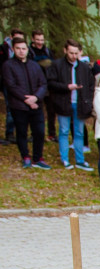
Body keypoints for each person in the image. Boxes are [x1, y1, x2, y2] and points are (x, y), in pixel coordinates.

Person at [1, 36, 50, 169]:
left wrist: (36, 97)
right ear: (13, 49)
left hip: (36, 105)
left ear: (27, 49)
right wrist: (26, 100)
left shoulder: (34, 65)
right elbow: (11, 86)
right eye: (18, 48)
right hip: (19, 106)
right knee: (22, 132)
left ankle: (37, 157)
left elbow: (43, 83)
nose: (21, 51)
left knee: (39, 132)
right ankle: (25, 157)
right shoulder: (8, 65)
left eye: (23, 48)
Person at [28, 30, 55, 142]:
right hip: (35, 85)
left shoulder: (47, 51)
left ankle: (52, 134)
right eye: (37, 40)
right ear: (32, 39)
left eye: (42, 40)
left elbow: (52, 64)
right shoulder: (29, 52)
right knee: (36, 110)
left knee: (51, 110)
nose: (40, 42)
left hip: (48, 84)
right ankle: (35, 134)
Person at [1, 28, 25, 144]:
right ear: (11, 37)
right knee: (10, 108)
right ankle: (10, 133)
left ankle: (20, 132)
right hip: (7, 83)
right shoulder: (3, 49)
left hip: (21, 83)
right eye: (16, 38)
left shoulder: (25, 51)